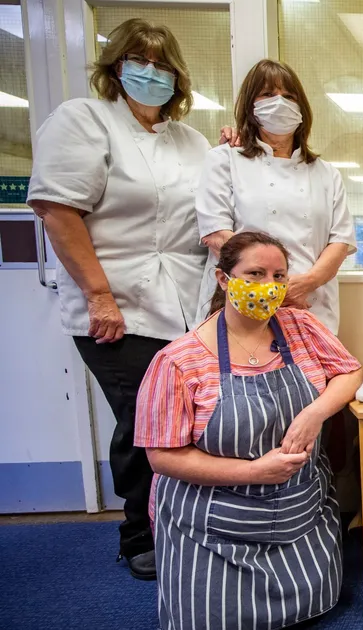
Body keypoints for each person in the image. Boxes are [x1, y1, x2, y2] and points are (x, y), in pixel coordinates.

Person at [27, 18, 212, 581]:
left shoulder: (191, 140)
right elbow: (58, 210)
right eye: (139, 61)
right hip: (115, 308)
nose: (151, 73)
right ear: (116, 67)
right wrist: (99, 295)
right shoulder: (84, 120)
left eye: (162, 64)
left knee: (186, 419)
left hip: (183, 303)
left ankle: (181, 525)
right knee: (142, 420)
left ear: (177, 77)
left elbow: (211, 208)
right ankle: (139, 535)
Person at [134, 232, 363, 629]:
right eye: (255, 274)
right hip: (216, 526)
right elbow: (162, 458)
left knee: (313, 606)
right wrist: (255, 472)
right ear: (223, 279)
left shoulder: (300, 326)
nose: (268, 286)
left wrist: (315, 413)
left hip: (297, 512)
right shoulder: (178, 361)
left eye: (279, 276)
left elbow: (350, 372)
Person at [196, 59, 357, 334]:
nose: (280, 102)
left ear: (302, 107)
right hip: (244, 303)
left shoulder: (326, 173)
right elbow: (217, 235)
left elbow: (340, 242)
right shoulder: (224, 160)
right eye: (268, 94)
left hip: (310, 303)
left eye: (289, 96)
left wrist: (306, 283)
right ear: (250, 106)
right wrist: (272, 287)